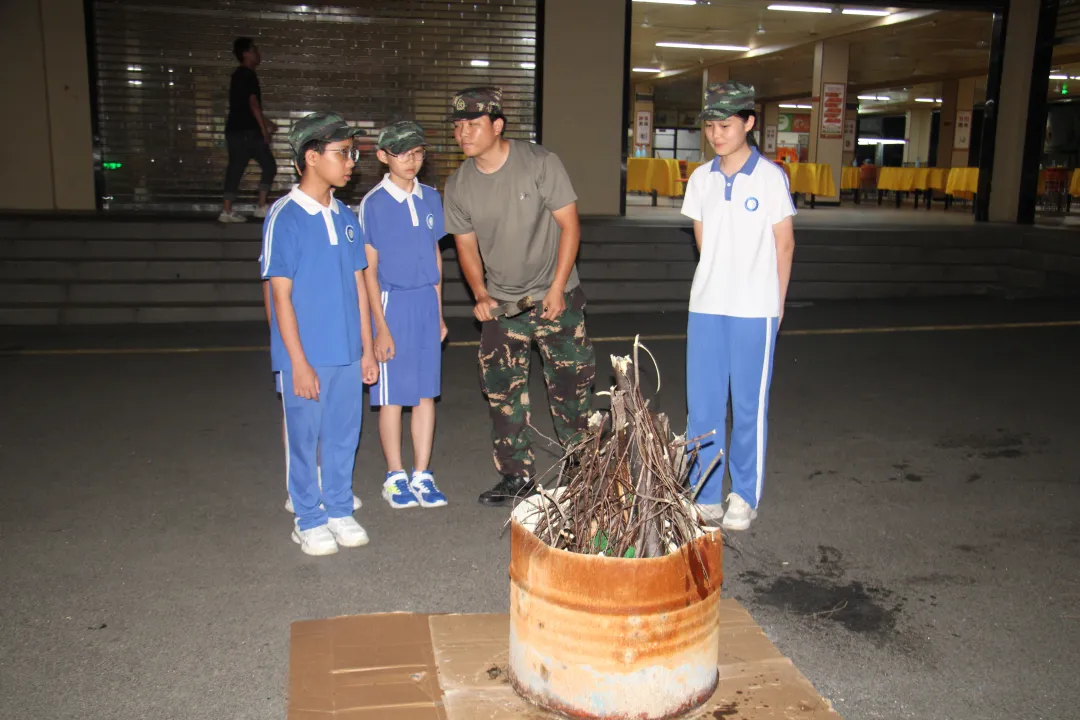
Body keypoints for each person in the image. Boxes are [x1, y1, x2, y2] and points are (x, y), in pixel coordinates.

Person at [443, 87, 595, 507]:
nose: (463, 134)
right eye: (457, 126)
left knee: (571, 389)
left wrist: (557, 287)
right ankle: (517, 477)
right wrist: (479, 293)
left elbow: (570, 226)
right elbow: (466, 246)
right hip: (503, 304)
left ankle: (582, 471)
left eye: (472, 124)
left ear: (497, 125)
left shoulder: (540, 164)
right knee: (502, 393)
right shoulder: (458, 185)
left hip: (554, 295)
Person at [261, 111, 379, 555]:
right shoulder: (286, 217)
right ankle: (308, 517)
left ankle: (338, 508)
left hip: (348, 352)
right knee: (304, 437)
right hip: (305, 356)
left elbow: (359, 286)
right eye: (342, 153)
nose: (351, 162)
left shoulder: (346, 215)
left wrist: (366, 350)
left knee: (344, 434)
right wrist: (298, 362)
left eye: (352, 153)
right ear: (312, 157)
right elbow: (280, 298)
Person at [680, 81, 796, 531]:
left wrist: (777, 304)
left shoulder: (770, 178)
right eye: (710, 125)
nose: (716, 133)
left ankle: (744, 495)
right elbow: (703, 242)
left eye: (725, 125)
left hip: (755, 309)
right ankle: (706, 494)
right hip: (707, 305)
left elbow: (784, 244)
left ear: (749, 122)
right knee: (703, 406)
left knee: (748, 406)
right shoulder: (700, 179)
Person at [357, 121, 449, 509]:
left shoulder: (430, 197)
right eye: (402, 153)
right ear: (382, 156)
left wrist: (440, 312)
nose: (412, 160)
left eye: (418, 153)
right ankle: (395, 474)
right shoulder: (373, 204)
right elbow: (369, 270)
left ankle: (422, 473)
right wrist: (380, 327)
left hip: (426, 303)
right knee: (392, 397)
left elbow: (435, 255)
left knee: (426, 393)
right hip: (392, 304)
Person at [220, 37, 276, 223]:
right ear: (246, 54)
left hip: (235, 129)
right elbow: (253, 104)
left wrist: (266, 123)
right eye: (254, 50)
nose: (258, 53)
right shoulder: (248, 74)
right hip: (248, 132)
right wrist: (264, 130)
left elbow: (245, 107)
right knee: (269, 165)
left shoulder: (237, 75)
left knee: (235, 168)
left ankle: (227, 210)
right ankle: (261, 206)